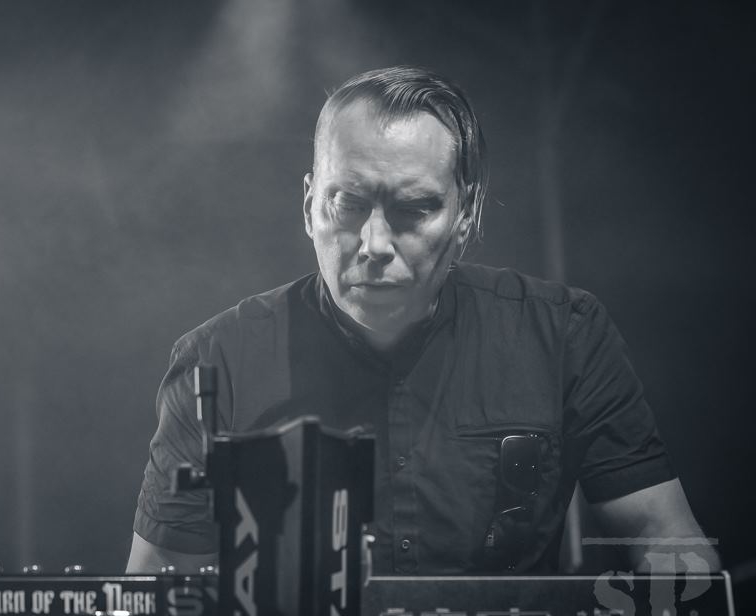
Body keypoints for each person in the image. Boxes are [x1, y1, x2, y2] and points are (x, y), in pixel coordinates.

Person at [126, 66, 719, 576]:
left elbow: (662, 537)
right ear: (309, 207)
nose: (375, 244)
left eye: (412, 209)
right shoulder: (218, 361)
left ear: (467, 215)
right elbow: (159, 589)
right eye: (348, 204)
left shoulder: (565, 334)